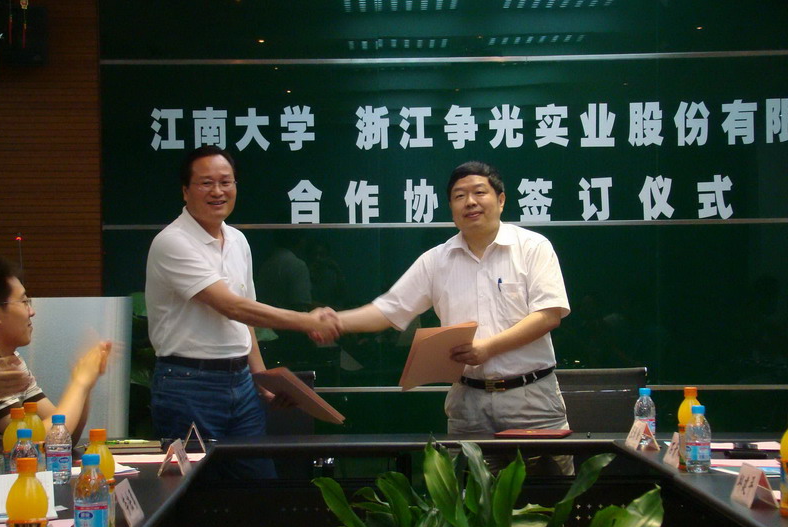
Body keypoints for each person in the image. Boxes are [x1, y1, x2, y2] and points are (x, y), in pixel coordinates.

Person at [337, 161, 572, 475]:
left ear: (501, 200)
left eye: (479, 192)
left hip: (531, 401)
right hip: (468, 404)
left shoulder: (533, 247)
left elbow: (548, 315)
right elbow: (388, 310)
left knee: (546, 497)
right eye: (460, 196)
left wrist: (487, 348)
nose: (470, 202)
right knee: (467, 499)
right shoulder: (436, 260)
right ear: (451, 207)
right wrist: (335, 321)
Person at [145, 145, 340, 478]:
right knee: (197, 491)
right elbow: (232, 306)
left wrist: (260, 379)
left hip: (241, 384)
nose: (218, 191)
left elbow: (244, 320)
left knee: (259, 485)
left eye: (226, 182)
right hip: (189, 385)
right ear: (185, 190)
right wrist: (307, 321)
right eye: (206, 183)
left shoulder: (237, 240)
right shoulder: (172, 242)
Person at [0, 255, 110, 474]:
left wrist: (86, 382)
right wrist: (79, 384)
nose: (32, 311)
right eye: (24, 302)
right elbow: (37, 444)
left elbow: (63, 438)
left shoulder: (12, 360)